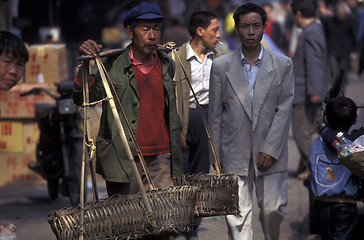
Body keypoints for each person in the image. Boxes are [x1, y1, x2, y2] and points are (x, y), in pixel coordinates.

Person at [73, 2, 183, 197]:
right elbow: (85, 98)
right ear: (130, 32)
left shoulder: (168, 64)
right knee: (128, 221)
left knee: (165, 220)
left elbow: (169, 107)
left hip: (161, 158)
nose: (152, 35)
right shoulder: (111, 64)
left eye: (156, 29)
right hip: (123, 158)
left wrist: (178, 133)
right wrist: (85, 64)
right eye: (145, 29)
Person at [208, 3, 294, 240]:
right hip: (233, 151)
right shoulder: (221, 67)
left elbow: (284, 109)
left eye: (256, 25)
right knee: (237, 217)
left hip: (271, 150)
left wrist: (271, 147)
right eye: (245, 26)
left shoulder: (283, 64)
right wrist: (214, 160)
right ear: (237, 29)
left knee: (272, 210)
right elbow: (215, 116)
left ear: (265, 28)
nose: (251, 31)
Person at [171, 11, 222, 240]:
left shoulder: (218, 58)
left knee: (200, 174)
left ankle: (193, 226)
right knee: (180, 175)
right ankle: (178, 221)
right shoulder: (176, 58)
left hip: (206, 118)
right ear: (200, 32)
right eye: (215, 30)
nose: (218, 35)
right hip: (183, 119)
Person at [308, 96, 361, 240]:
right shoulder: (355, 144)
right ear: (355, 120)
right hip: (346, 204)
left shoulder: (317, 143)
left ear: (325, 118)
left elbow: (311, 166)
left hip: (322, 202)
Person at [290, 0, 329, 180]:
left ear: (298, 14)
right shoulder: (314, 29)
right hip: (307, 92)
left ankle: (320, 167)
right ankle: (315, 167)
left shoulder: (311, 32)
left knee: (301, 134)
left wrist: (314, 91)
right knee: (310, 132)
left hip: (305, 94)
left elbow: (314, 62)